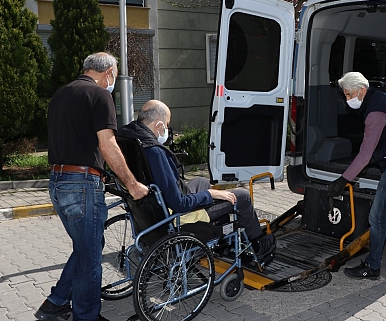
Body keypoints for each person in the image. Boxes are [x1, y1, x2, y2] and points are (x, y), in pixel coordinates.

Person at [37, 52, 149, 321]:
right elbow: (107, 144)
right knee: (89, 260)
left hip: (57, 182)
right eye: (115, 73)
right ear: (108, 72)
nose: (113, 80)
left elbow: (74, 139)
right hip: (81, 185)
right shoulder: (101, 96)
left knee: (89, 245)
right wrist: (132, 184)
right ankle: (86, 316)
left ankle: (55, 304)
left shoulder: (61, 94)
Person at [117, 100, 276, 260]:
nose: (167, 129)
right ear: (158, 125)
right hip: (176, 215)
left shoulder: (132, 142)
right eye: (166, 124)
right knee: (241, 196)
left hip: (152, 208)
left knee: (201, 181)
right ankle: (258, 246)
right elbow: (179, 204)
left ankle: (222, 245)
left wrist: (208, 192)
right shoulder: (154, 152)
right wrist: (210, 194)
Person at [328, 72, 386, 280]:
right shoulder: (379, 98)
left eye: (350, 95)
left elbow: (365, 154)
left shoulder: (375, 111)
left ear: (362, 90)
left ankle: (372, 267)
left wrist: (343, 179)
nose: (348, 100)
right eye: (346, 96)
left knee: (376, 217)